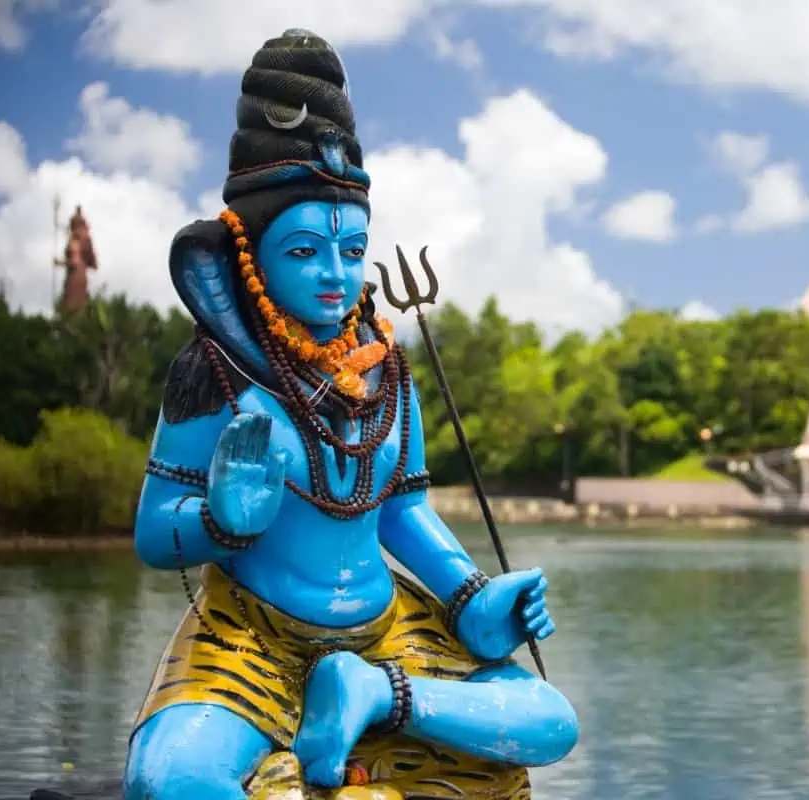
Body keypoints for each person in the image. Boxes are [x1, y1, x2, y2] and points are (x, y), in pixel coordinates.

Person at [122, 29, 577, 800]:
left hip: (386, 630)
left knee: (548, 719)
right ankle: (346, 710)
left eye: (351, 249)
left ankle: (375, 696)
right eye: (303, 252)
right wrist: (221, 521)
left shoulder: (387, 369)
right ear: (245, 254)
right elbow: (152, 531)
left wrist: (471, 596)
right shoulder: (216, 373)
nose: (335, 276)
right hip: (253, 635)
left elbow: (402, 510)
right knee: (172, 780)